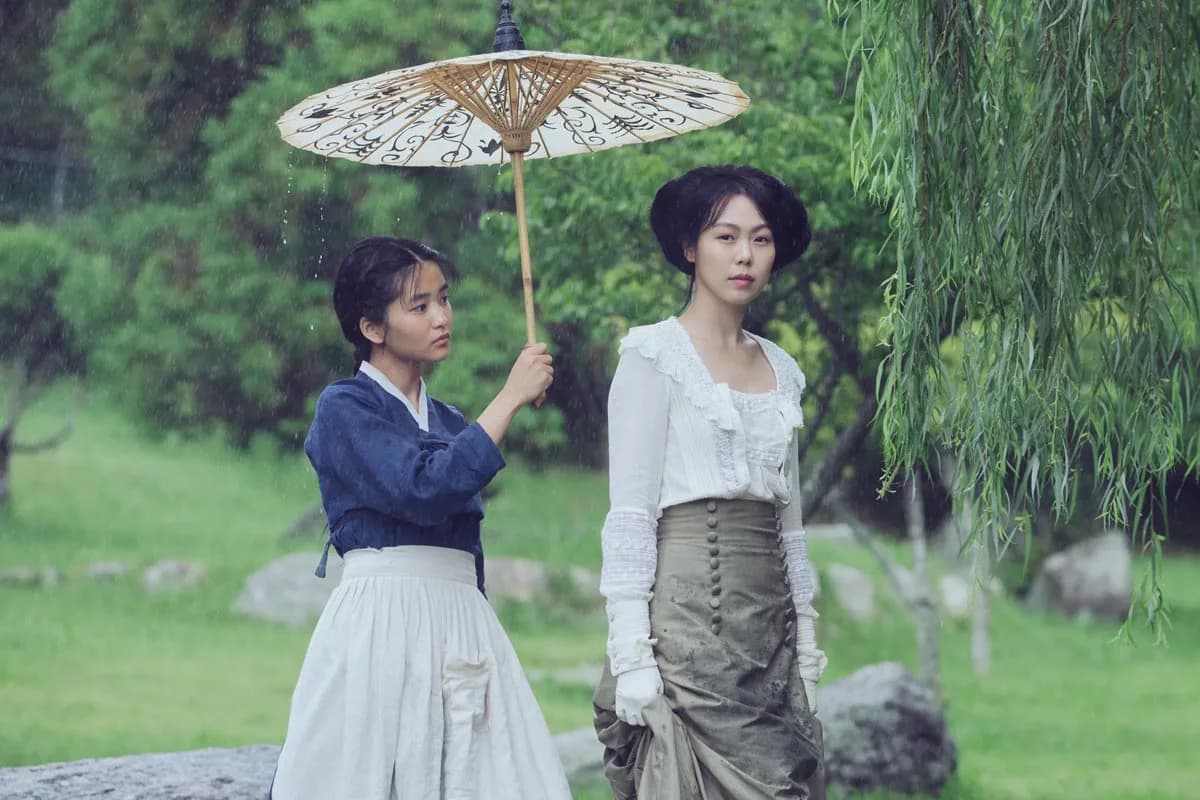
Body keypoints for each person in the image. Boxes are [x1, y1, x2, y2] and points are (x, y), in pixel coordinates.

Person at [271, 236, 571, 800]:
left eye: (444, 299)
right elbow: (422, 490)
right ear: (371, 328)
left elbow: (465, 537)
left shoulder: (451, 420)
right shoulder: (344, 408)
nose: (442, 317)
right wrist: (508, 398)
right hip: (382, 621)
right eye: (420, 305)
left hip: (461, 620)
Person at [593, 166, 828, 798]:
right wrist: (632, 656)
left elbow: (792, 524)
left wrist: (805, 639)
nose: (745, 255)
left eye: (761, 238)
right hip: (686, 625)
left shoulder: (782, 367)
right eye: (725, 237)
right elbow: (631, 517)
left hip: (767, 624)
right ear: (690, 248)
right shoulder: (652, 358)